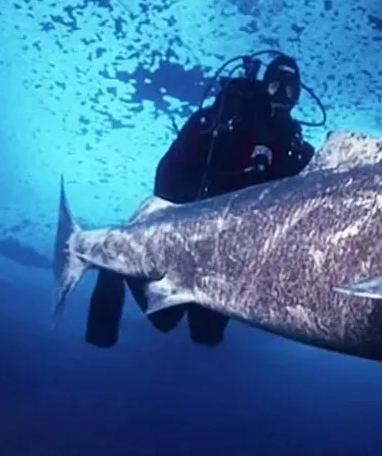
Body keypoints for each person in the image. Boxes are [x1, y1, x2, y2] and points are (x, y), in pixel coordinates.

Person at [85, 53, 317, 348]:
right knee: (164, 320)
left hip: (231, 245)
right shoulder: (225, 119)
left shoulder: (292, 143)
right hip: (190, 227)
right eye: (275, 86)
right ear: (263, 85)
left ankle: (123, 257)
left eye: (290, 89)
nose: (281, 95)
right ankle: (115, 257)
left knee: (207, 336)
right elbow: (170, 168)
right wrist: (169, 214)